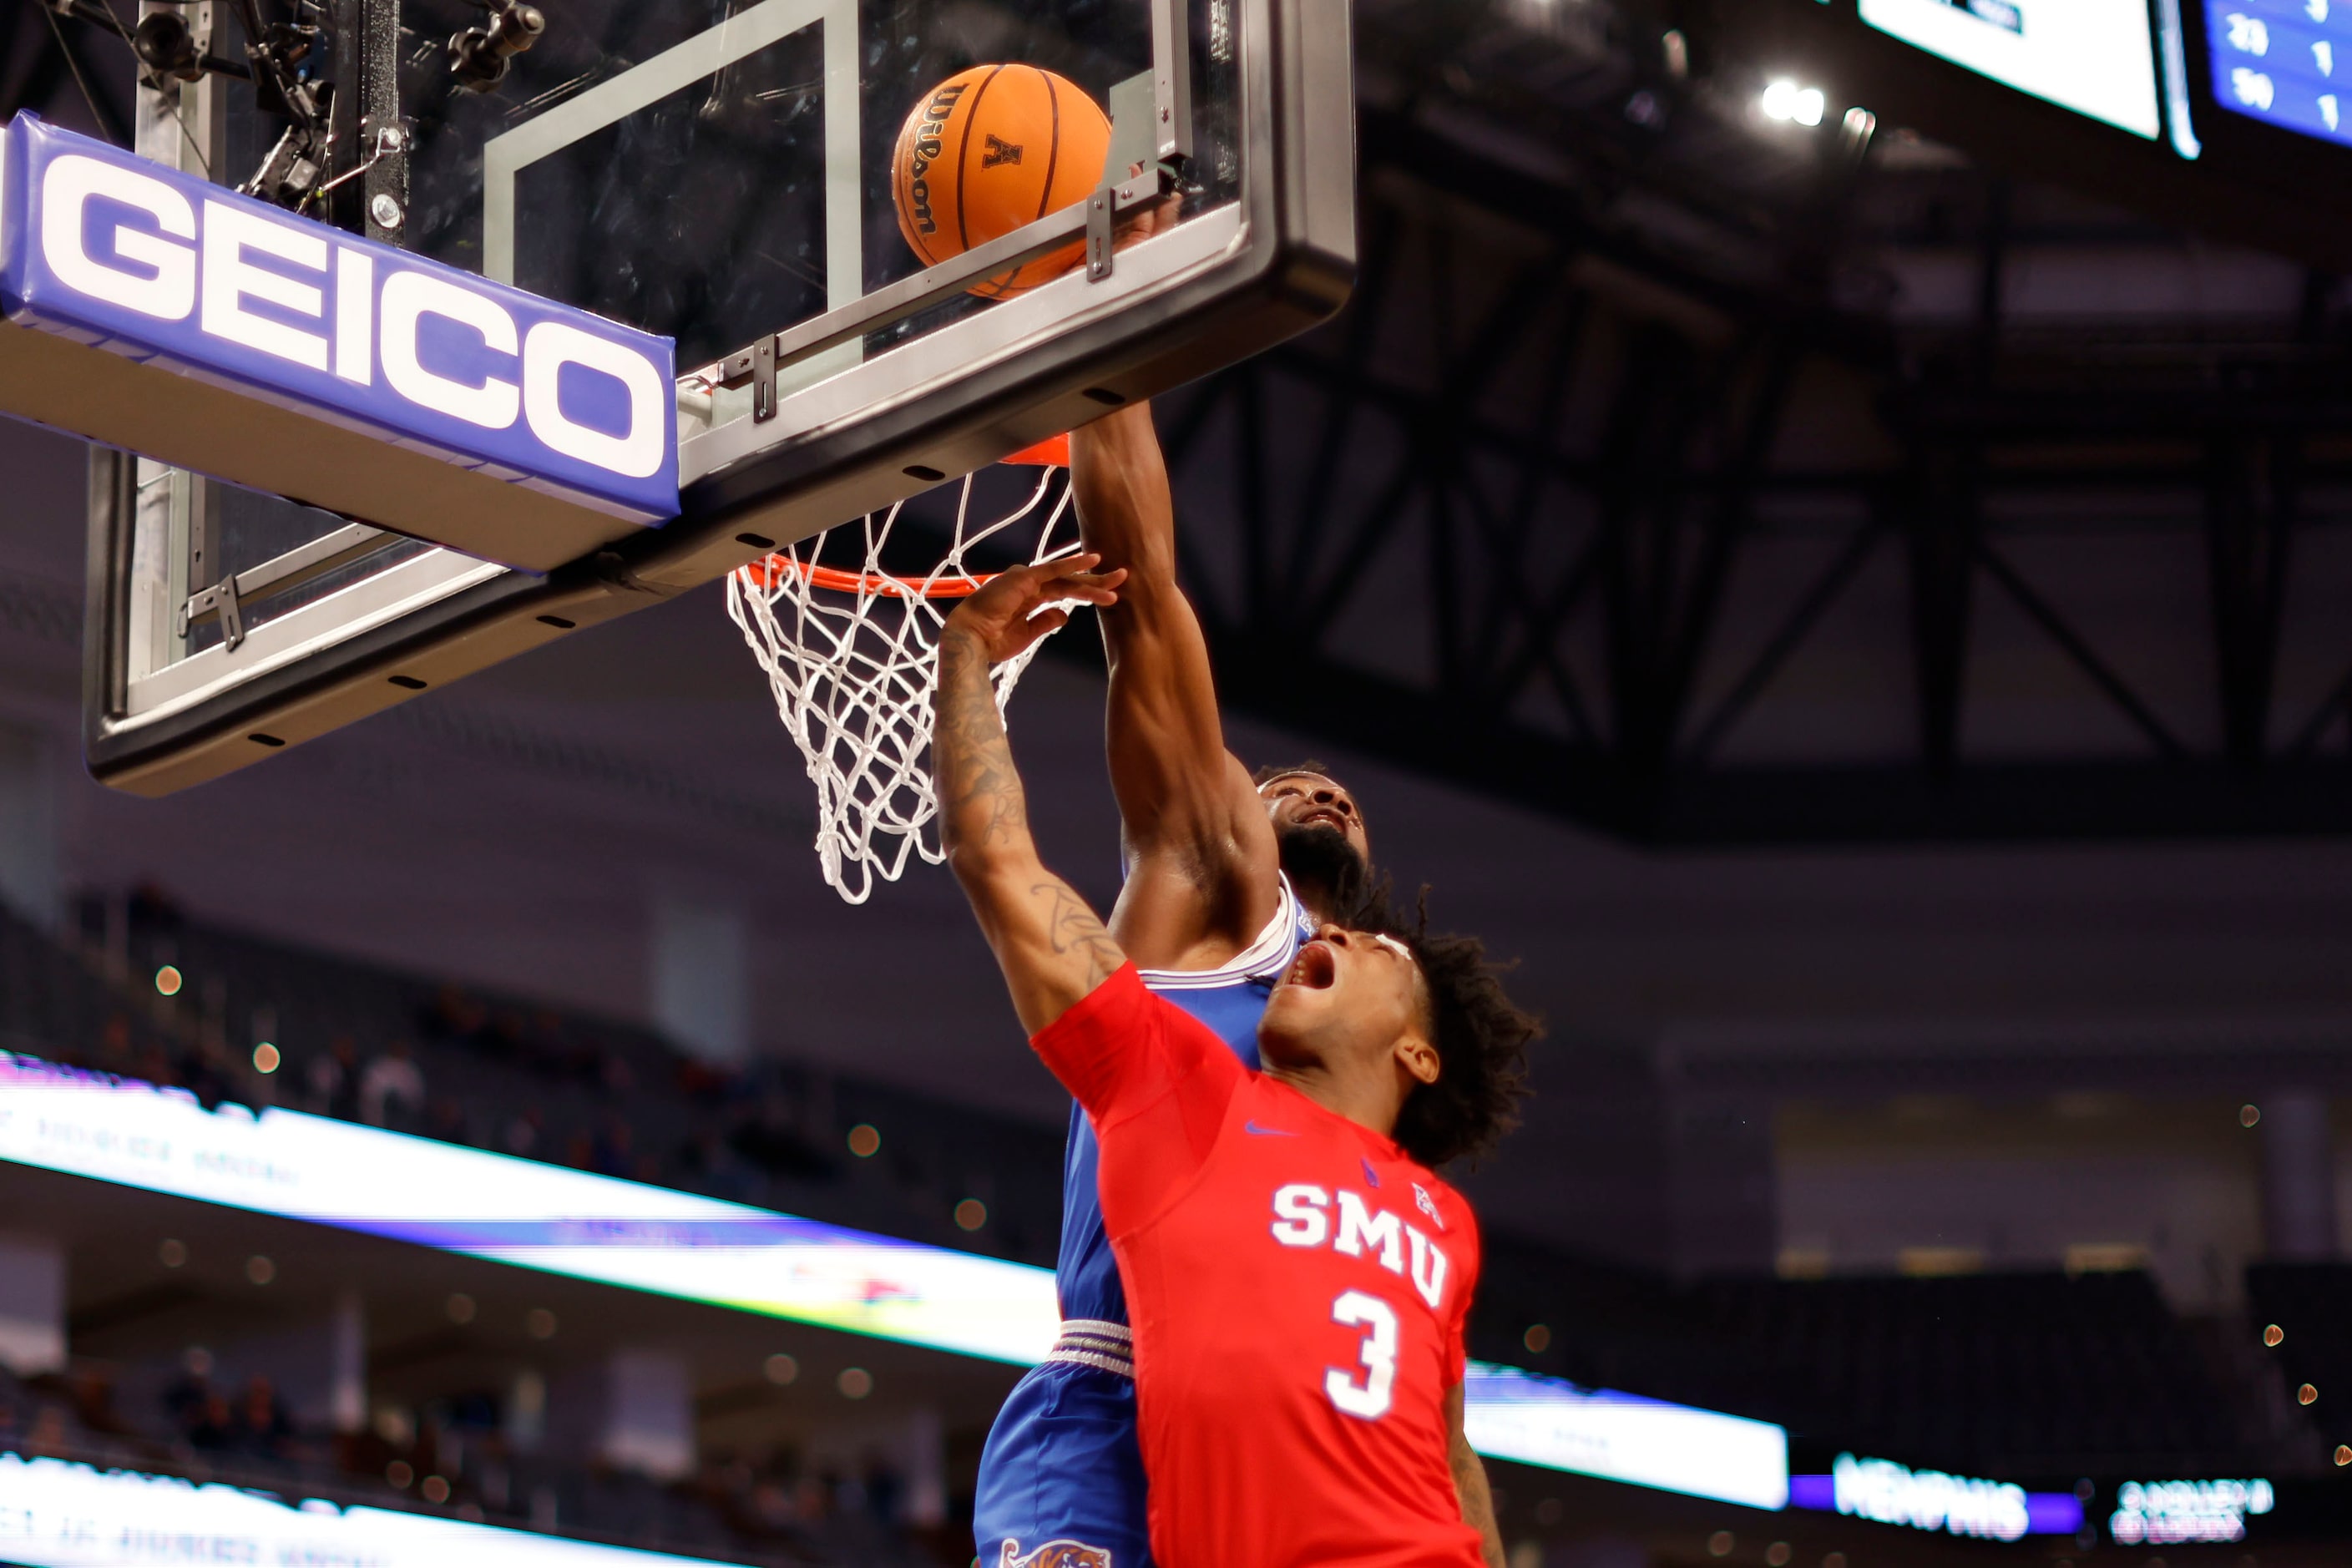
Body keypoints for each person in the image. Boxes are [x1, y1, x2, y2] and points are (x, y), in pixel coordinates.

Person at [971, 405, 1498, 1568]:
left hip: (1317, 1452)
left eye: (1344, 796)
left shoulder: (1388, 1087)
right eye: (1280, 784)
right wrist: (1116, 347)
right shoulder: (1217, 889)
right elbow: (1145, 590)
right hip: (1119, 1401)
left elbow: (1444, 1426)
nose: (1320, 791)